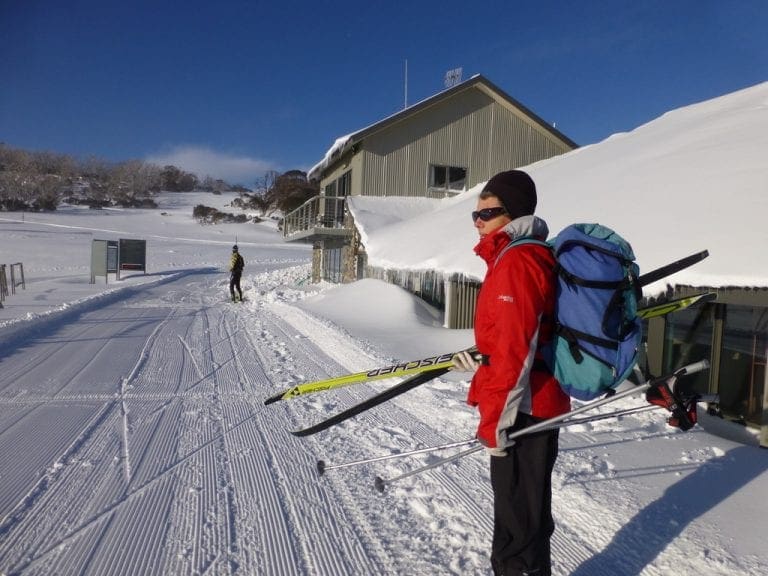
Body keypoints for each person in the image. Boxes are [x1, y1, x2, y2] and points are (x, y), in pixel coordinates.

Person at [452, 170, 571, 576]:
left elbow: (514, 353)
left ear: (513, 213)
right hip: (532, 402)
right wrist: (480, 354)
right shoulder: (517, 255)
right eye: (475, 213)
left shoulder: (518, 260)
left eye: (489, 212)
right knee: (525, 519)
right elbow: (511, 337)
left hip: (525, 410)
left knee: (518, 529)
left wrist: (495, 423)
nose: (478, 221)